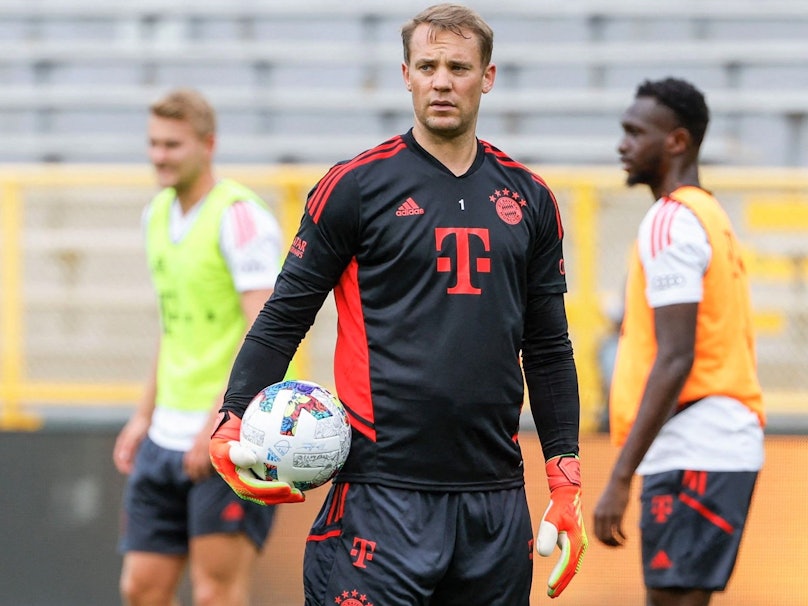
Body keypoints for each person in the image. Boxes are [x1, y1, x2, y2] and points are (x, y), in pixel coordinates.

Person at [209, 4, 587, 605]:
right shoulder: (355, 187)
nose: (442, 81)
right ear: (406, 74)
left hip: (493, 501)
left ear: (486, 77)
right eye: (428, 66)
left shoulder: (532, 199)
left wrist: (564, 481)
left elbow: (547, 349)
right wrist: (231, 417)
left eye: (459, 67)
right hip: (380, 494)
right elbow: (285, 315)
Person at [593, 78, 766, 606]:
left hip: (698, 445)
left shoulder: (670, 221)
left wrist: (619, 479)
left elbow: (676, 357)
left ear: (677, 142)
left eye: (635, 132)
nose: (623, 144)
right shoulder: (707, 213)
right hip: (711, 443)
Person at [113, 88, 284, 606]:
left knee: (216, 593)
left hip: (225, 436)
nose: (159, 156)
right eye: (153, 144)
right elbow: (173, 325)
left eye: (172, 144)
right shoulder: (156, 216)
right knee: (140, 588)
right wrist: (144, 415)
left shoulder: (240, 218)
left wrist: (219, 421)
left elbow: (266, 334)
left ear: (208, 144)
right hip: (166, 433)